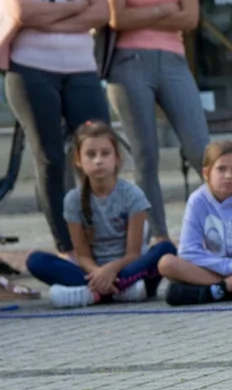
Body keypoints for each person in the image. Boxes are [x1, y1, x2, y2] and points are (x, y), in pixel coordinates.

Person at [1, 0, 110, 256]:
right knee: (49, 156)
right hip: (30, 70)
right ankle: (67, 246)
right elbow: (20, 11)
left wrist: (47, 18)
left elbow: (101, 11)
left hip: (80, 69)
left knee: (97, 146)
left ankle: (102, 236)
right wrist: (75, 9)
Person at [103, 0, 208, 244]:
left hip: (174, 61)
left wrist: (143, 16)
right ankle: (159, 238)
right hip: (128, 65)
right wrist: (165, 10)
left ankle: (227, 227)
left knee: (200, 147)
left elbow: (191, 16)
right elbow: (117, 17)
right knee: (145, 155)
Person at [24, 121, 174, 308]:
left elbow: (133, 254)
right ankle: (120, 292)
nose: (98, 160)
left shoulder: (133, 195)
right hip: (91, 272)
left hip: (127, 268)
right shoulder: (73, 200)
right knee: (36, 260)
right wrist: (99, 273)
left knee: (165, 249)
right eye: (90, 155)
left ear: (116, 158)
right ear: (78, 160)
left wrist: (110, 271)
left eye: (105, 153)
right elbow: (83, 255)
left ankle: (91, 294)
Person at [160, 140, 232, 305]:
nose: (228, 176)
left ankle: (214, 291)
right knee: (166, 263)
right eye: (221, 169)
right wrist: (230, 266)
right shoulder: (197, 200)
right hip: (215, 268)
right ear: (206, 173)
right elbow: (188, 250)